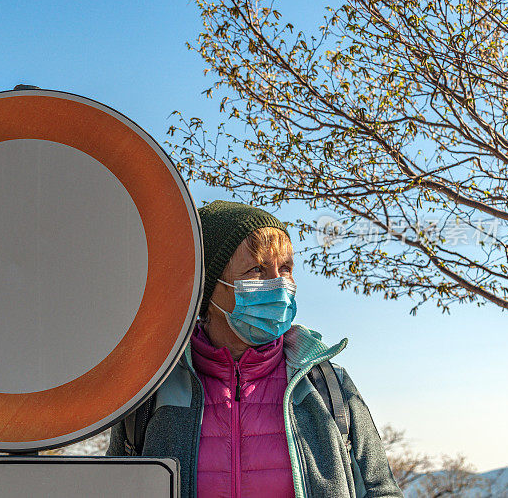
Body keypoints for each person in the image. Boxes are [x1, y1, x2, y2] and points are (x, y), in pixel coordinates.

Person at [108, 200, 402, 498]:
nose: (279, 283)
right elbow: (113, 487)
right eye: (257, 270)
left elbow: (381, 490)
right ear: (209, 287)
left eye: (285, 268)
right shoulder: (154, 388)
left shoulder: (327, 385)